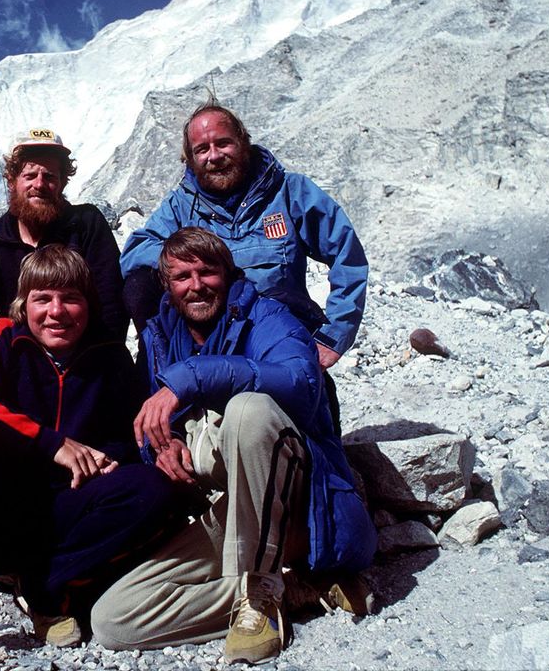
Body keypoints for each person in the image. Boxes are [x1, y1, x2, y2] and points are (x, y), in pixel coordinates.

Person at [91, 228, 376, 665]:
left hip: (296, 502)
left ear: (229, 274)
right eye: (183, 276)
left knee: (249, 410)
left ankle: (260, 593)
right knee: (115, 619)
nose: (197, 284)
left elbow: (301, 382)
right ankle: (293, 587)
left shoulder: (268, 317)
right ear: (166, 286)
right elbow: (149, 422)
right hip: (230, 509)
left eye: (208, 272)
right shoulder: (159, 335)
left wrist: (192, 376)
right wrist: (162, 449)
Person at [0, 245, 181, 663]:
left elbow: (128, 437)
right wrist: (50, 444)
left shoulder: (109, 357)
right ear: (23, 304)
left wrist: (105, 462)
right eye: (43, 299)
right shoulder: (0, 337)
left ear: (88, 305)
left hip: (62, 517)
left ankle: (45, 586)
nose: (57, 311)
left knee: (153, 488)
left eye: (70, 298)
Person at [119, 103, 368, 427]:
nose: (214, 155)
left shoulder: (290, 192)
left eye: (223, 143)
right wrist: (194, 259)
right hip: (209, 342)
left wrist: (333, 337)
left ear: (243, 141)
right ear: (190, 159)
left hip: (277, 339)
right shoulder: (181, 205)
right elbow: (136, 251)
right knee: (140, 282)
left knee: (302, 433)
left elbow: (346, 254)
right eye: (202, 149)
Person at [0, 127, 127, 357]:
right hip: (19, 365)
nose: (39, 184)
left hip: (86, 361)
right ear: (12, 181)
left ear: (62, 183)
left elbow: (112, 305)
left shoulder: (87, 224)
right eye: (30, 175)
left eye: (50, 176)